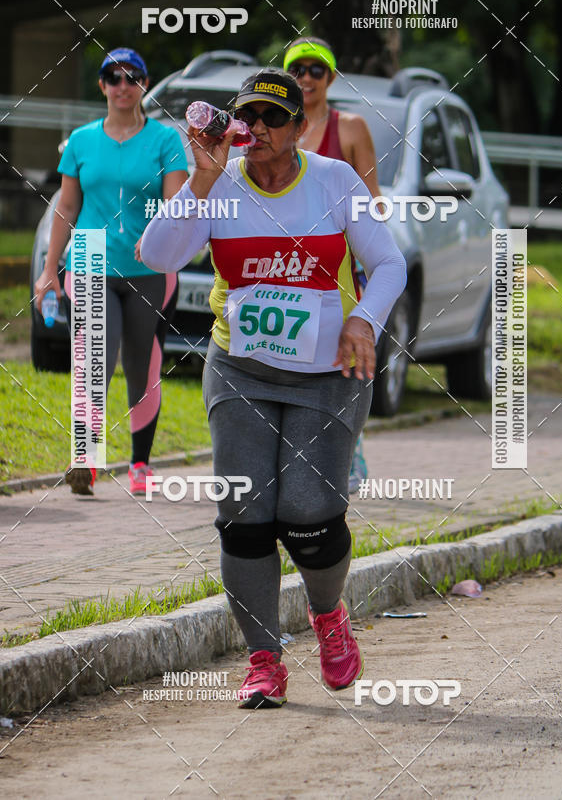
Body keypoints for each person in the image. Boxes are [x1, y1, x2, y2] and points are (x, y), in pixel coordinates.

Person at [140, 68, 406, 709]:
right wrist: (201, 179)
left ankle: (327, 616)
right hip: (241, 370)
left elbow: (389, 263)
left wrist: (364, 321)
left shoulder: (334, 181)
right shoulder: (221, 185)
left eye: (272, 118)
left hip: (326, 376)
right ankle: (264, 660)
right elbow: (158, 255)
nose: (255, 128)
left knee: (310, 516)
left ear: (297, 127)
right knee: (244, 518)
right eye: (246, 116)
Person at [34, 48, 188, 496]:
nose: (123, 86)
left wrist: (161, 238)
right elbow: (66, 207)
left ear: (143, 84)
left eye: (132, 77)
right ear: (102, 86)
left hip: (149, 263)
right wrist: (48, 269)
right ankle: (86, 457)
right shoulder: (81, 141)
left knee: (143, 362)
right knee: (94, 359)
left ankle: (140, 463)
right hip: (90, 255)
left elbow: (177, 205)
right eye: (113, 78)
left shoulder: (164, 140)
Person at [283, 37, 382, 493]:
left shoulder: (352, 128)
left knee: (346, 356)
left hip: (341, 266)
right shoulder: (275, 126)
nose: (306, 77)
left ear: (331, 78)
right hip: (285, 264)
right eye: (297, 69)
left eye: (315, 70)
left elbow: (372, 202)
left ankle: (350, 444)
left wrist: (374, 262)